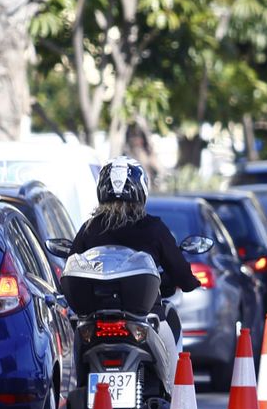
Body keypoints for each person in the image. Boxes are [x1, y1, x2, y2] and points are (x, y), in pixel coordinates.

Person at [69, 156, 199, 387]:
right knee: (175, 381)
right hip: (147, 319)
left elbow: (72, 267)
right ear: (142, 190)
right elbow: (181, 274)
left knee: (75, 366)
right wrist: (188, 281)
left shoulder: (88, 230)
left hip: (94, 320)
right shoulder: (154, 228)